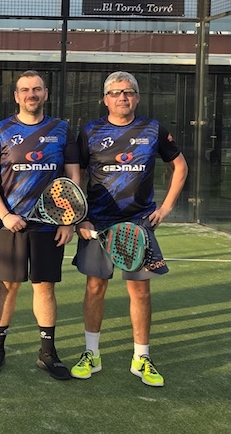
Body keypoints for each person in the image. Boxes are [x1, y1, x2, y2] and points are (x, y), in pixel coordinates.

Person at [70, 71, 188, 387]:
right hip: (98, 223)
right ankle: (91, 354)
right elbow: (75, 175)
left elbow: (180, 165)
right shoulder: (90, 131)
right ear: (105, 98)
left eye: (129, 91)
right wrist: (80, 217)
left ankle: (141, 358)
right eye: (117, 92)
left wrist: (165, 208)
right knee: (95, 287)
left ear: (136, 97)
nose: (123, 97)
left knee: (140, 290)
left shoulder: (153, 130)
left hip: (138, 224)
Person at [0, 70, 80, 380]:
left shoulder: (62, 130)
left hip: (51, 225)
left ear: (45, 94)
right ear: (16, 96)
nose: (31, 94)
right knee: (8, 286)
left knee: (44, 286)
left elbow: (74, 177)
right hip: (10, 224)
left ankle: (47, 353)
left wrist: (69, 219)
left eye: (36, 89)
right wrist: (5, 214)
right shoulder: (1, 131)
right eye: (25, 89)